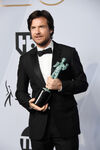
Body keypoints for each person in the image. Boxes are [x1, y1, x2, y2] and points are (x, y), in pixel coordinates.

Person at [15, 10, 88, 150]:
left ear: (51, 29)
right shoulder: (24, 59)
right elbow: (20, 92)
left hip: (66, 126)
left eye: (41, 27)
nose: (37, 32)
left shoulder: (69, 52)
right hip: (38, 126)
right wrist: (30, 104)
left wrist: (62, 85)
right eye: (33, 28)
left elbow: (82, 83)